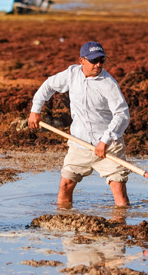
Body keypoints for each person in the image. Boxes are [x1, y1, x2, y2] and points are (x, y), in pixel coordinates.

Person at [28, 41, 130, 207]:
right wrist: (35, 110)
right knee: (65, 185)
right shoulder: (71, 74)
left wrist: (105, 140)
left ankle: (122, 227)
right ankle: (64, 223)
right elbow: (48, 85)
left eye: (102, 60)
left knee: (118, 189)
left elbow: (122, 114)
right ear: (81, 60)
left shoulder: (109, 84)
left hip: (108, 145)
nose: (98, 64)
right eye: (94, 60)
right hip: (79, 144)